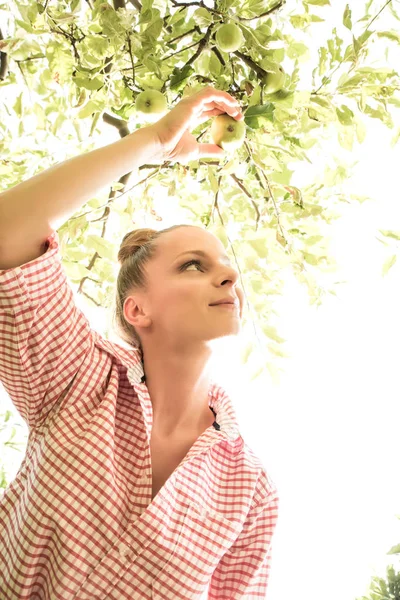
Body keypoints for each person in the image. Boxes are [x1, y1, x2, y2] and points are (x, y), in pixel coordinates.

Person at [0, 86, 280, 599]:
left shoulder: (251, 491)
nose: (229, 275)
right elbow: (5, 234)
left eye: (225, 264)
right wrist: (155, 141)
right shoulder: (78, 378)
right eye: (193, 265)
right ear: (137, 310)